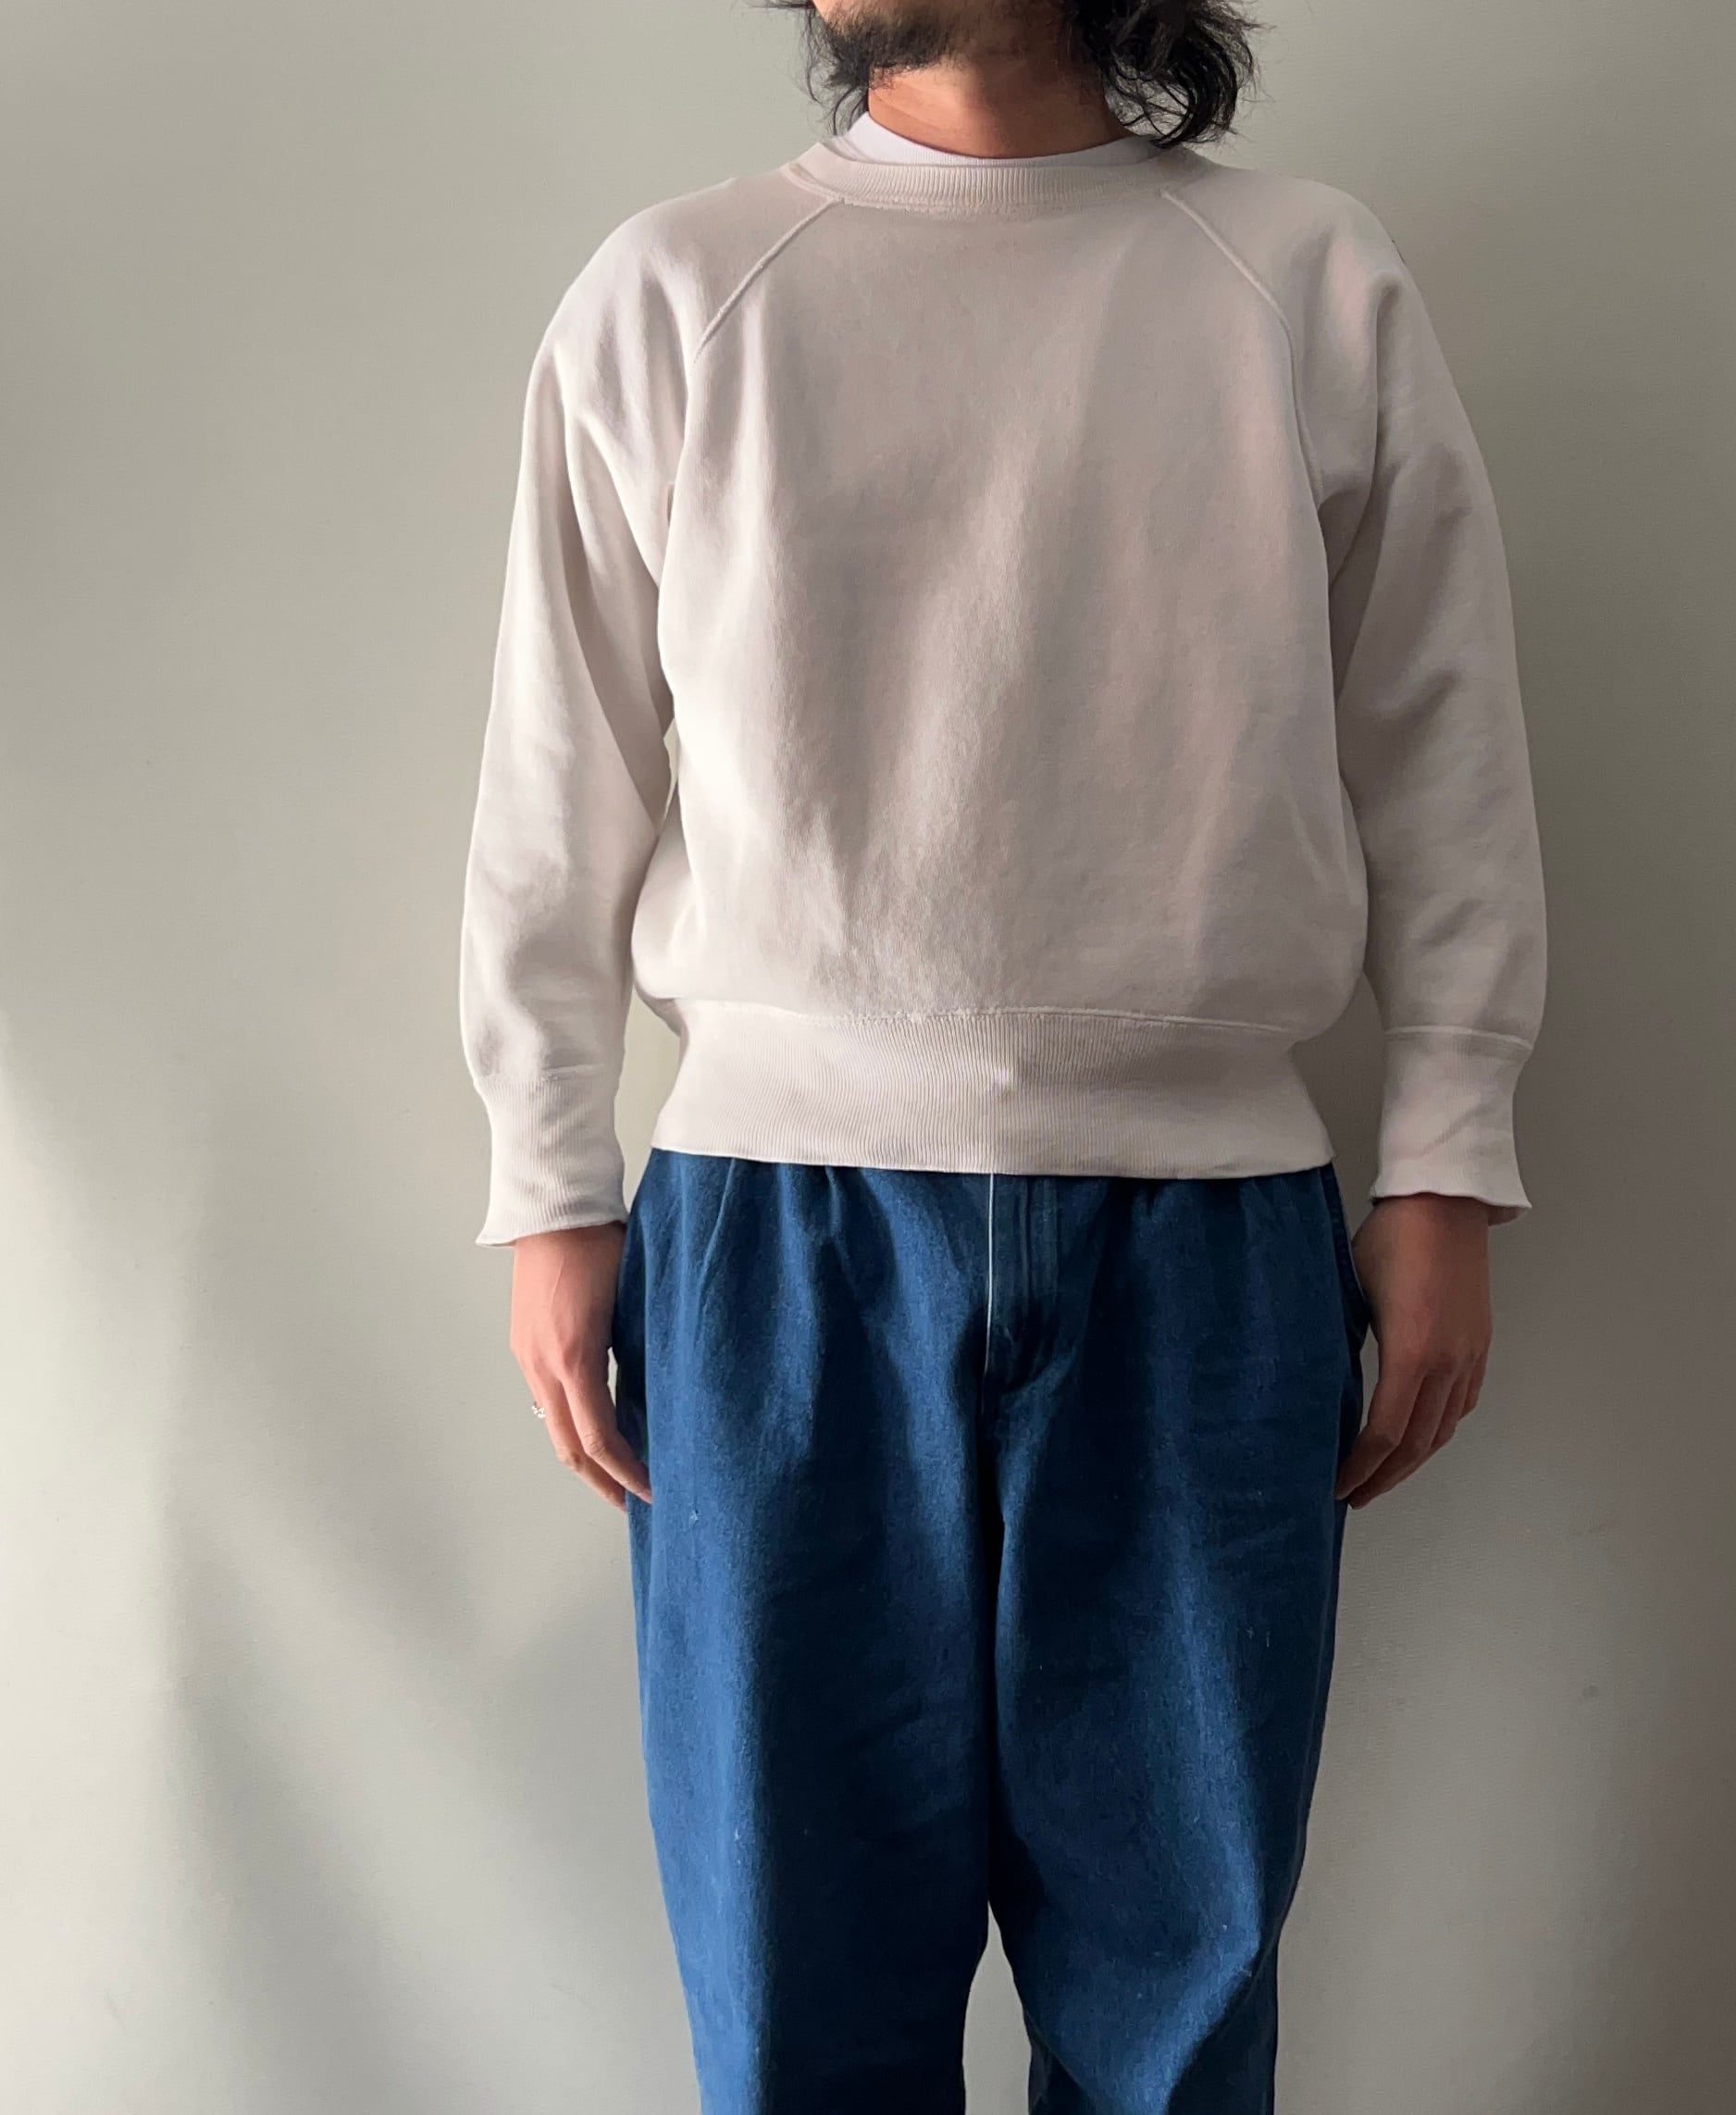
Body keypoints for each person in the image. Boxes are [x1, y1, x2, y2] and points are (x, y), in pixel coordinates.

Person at [457, 0, 1546, 2106]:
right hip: (775, 1238)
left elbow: (1443, 742)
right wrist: (551, 1178)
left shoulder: (1302, 278)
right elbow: (553, 773)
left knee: (1177, 2009)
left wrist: (1446, 1159)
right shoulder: (680, 291)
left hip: (1205, 1236)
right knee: (795, 1995)